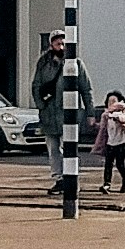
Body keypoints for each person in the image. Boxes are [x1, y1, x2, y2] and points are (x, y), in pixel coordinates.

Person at [33, 28, 93, 189]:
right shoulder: (43, 63)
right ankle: (59, 178)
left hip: (69, 115)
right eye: (58, 43)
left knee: (69, 147)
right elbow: (36, 85)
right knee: (53, 149)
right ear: (51, 44)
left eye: (64, 43)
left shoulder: (75, 63)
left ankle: (71, 178)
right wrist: (41, 105)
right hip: (49, 114)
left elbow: (86, 89)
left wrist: (90, 113)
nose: (61, 46)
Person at [93, 90, 125, 195]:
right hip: (110, 143)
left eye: (114, 101)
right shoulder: (105, 115)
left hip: (122, 143)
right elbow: (102, 127)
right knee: (108, 164)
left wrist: (116, 116)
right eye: (110, 102)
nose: (112, 104)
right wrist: (94, 125)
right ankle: (107, 184)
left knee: (120, 163)